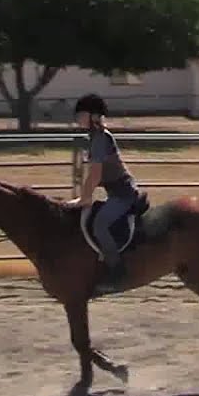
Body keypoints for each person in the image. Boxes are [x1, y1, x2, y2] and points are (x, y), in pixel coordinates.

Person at [67, 93, 140, 284]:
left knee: (100, 225)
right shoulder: (95, 137)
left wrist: (84, 198)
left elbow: (95, 175)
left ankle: (116, 269)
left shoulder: (100, 139)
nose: (77, 118)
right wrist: (84, 197)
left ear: (93, 116)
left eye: (81, 114)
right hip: (116, 192)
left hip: (124, 194)